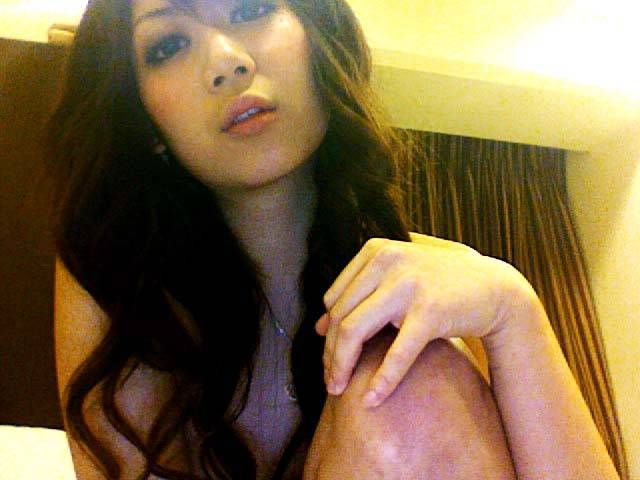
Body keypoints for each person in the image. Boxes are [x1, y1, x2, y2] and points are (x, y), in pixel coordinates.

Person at [46, 0, 621, 479]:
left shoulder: (435, 281)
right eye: (169, 44)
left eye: (251, 8)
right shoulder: (122, 288)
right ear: (144, 123)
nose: (226, 61)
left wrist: (514, 309)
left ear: (319, 42)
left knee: (408, 381)